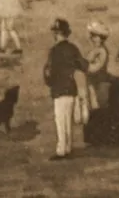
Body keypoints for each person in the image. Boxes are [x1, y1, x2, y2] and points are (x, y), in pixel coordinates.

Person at [43, 19, 90, 160]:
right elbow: (83, 65)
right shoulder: (73, 48)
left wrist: (49, 81)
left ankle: (61, 150)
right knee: (68, 121)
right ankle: (68, 148)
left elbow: (49, 72)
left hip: (59, 89)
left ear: (57, 34)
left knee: (60, 121)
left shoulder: (53, 51)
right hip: (71, 88)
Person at [83, 22, 119, 147]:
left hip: (101, 84)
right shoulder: (96, 51)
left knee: (101, 110)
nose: (92, 38)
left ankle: (103, 138)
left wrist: (84, 66)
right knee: (96, 109)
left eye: (95, 36)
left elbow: (95, 68)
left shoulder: (102, 51)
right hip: (94, 83)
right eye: (92, 36)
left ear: (101, 38)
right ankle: (99, 138)